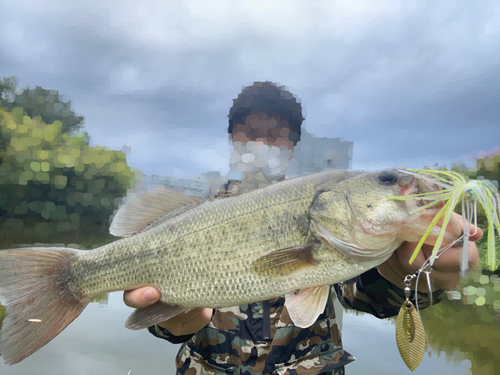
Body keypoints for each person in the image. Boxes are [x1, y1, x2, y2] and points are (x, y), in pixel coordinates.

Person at [124, 82, 481, 374]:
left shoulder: (324, 211)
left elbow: (364, 295)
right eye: (249, 134)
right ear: (232, 139)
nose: (261, 146)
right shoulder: (191, 216)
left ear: (292, 145)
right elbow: (156, 305)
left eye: (275, 136)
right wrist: (169, 322)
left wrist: (410, 277)